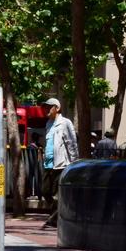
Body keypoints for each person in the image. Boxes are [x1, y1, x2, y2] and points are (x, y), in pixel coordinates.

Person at [41, 97, 79, 229]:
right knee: (45, 191)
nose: (46, 109)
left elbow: (72, 143)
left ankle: (54, 219)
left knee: (56, 194)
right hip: (48, 164)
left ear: (57, 108)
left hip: (60, 164)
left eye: (49, 107)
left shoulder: (65, 123)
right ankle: (56, 216)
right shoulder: (48, 124)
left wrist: (74, 163)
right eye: (45, 107)